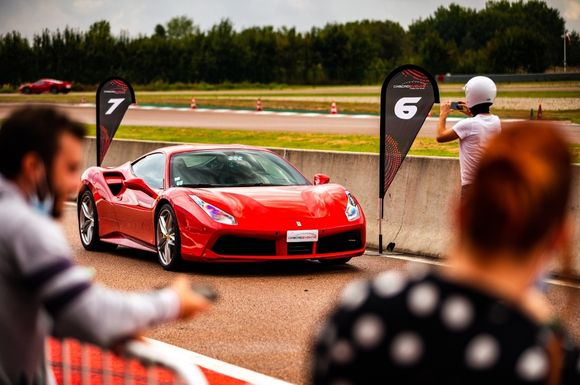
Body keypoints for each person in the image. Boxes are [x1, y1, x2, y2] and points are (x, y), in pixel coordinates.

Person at [311, 122, 579, 385]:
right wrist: (549, 329)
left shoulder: (361, 309)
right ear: (558, 238)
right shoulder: (550, 356)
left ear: (460, 213)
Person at [0, 106, 212, 385]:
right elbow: (92, 314)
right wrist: (172, 301)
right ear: (33, 167)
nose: (76, 185)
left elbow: (56, 312)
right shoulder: (25, 227)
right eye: (70, 168)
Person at [436, 76, 501, 199]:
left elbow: (440, 136)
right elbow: (479, 126)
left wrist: (442, 115)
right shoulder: (496, 121)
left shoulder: (468, 124)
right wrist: (472, 112)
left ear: (470, 97)